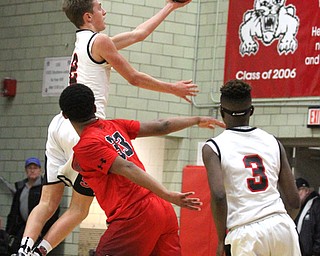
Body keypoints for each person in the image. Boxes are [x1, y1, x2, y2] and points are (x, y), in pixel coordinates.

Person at [18, 0, 198, 255]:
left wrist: (170, 6)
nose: (105, 11)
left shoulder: (86, 41)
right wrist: (173, 88)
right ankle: (41, 251)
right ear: (89, 16)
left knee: (47, 201)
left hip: (60, 123)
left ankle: (25, 249)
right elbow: (134, 78)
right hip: (84, 129)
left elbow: (139, 34)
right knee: (79, 209)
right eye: (101, 8)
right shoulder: (100, 42)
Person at [58, 83, 225, 255]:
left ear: (64, 115)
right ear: (94, 107)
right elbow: (162, 125)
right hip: (162, 210)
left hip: (134, 214)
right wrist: (196, 120)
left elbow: (127, 167)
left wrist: (166, 193)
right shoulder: (114, 125)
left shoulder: (86, 146)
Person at [202, 79, 301, 256]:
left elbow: (218, 195)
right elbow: (294, 201)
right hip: (282, 225)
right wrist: (277, 223)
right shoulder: (273, 142)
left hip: (245, 232)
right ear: (252, 111)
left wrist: (220, 240)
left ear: (221, 112)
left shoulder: (213, 147)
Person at [5, 158, 59, 255]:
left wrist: (43, 231)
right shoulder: (21, 188)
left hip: (41, 230)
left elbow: (53, 210)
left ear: (40, 170)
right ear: (26, 170)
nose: (32, 170)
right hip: (22, 229)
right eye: (30, 168)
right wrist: (9, 232)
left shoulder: (46, 188)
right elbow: (13, 212)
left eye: (35, 168)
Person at [294, 177, 320, 256]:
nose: (296, 195)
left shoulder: (316, 205)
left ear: (307, 191)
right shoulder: (299, 207)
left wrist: (316, 252)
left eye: (298, 190)